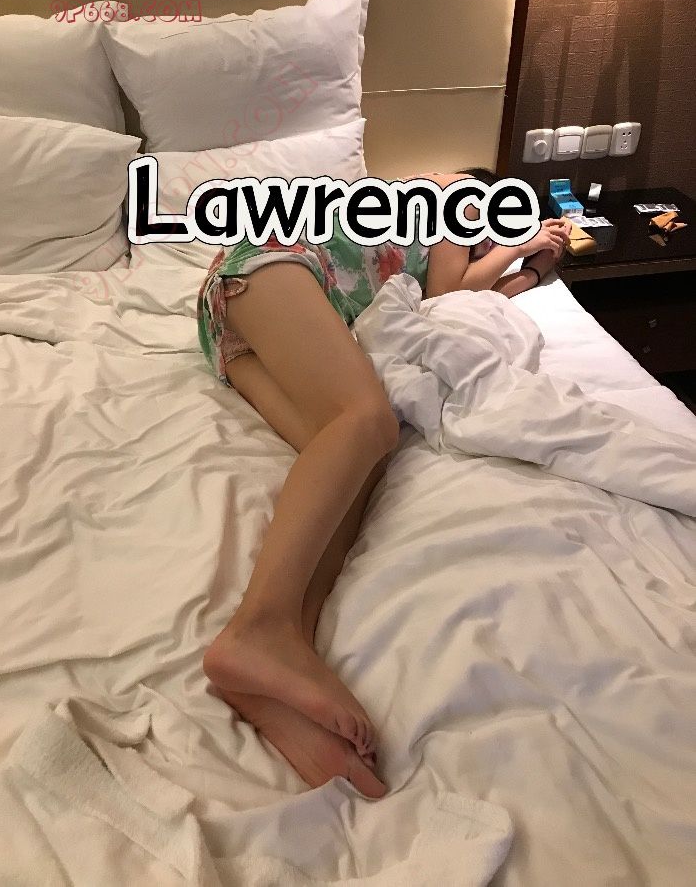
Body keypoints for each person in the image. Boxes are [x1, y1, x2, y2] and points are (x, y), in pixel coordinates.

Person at [197, 170, 570, 798]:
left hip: (234, 325)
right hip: (269, 267)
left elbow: (457, 294)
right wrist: (523, 246)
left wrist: (528, 272)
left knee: (357, 462)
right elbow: (451, 288)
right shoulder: (454, 193)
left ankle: (277, 661)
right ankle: (255, 630)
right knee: (368, 419)